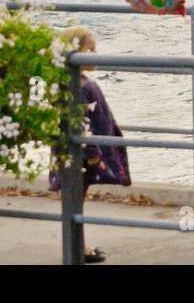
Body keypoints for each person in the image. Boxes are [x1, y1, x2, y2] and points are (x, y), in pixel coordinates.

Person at [48, 26, 131, 263]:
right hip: (83, 155)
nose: (95, 54)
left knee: (76, 199)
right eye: (90, 49)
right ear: (75, 51)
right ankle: (78, 248)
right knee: (76, 199)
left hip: (79, 153)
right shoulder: (78, 86)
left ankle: (79, 245)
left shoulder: (75, 82)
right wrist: (94, 156)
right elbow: (80, 123)